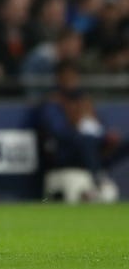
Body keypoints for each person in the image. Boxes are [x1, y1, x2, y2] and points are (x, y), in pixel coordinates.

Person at [35, 60, 129, 203]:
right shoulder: (53, 103)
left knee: (119, 143)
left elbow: (98, 127)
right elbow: (59, 133)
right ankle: (97, 178)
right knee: (86, 140)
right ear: (59, 78)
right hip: (65, 153)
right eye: (68, 77)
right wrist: (75, 123)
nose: (72, 81)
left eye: (74, 77)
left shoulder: (83, 99)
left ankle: (99, 174)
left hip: (93, 150)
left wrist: (106, 137)